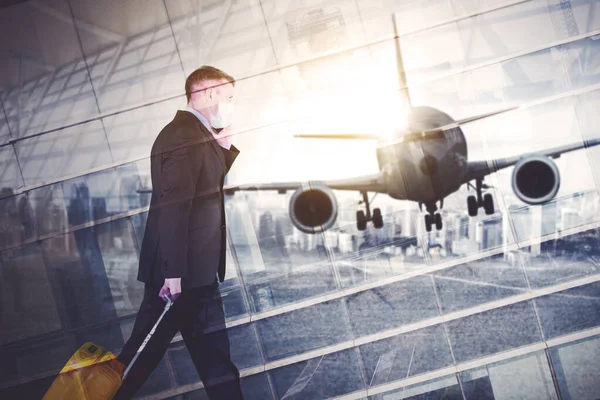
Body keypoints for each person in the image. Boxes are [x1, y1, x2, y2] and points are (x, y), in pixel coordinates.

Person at [113, 66, 243, 399]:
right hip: (178, 280)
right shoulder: (182, 136)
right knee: (136, 362)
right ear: (209, 92)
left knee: (218, 367)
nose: (231, 104)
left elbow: (202, 187)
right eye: (228, 96)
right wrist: (172, 276)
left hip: (195, 277)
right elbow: (174, 208)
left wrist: (224, 148)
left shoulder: (195, 135)